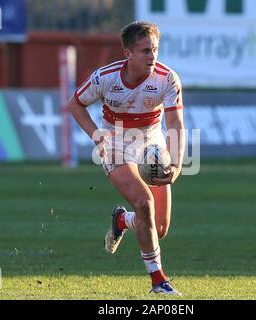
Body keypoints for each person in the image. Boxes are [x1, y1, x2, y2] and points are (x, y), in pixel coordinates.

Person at [68, 21, 185, 296]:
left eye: (154, 49)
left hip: (152, 144)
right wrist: (97, 135)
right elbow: (75, 104)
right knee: (143, 203)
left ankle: (121, 221)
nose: (152, 56)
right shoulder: (105, 78)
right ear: (127, 53)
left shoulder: (167, 79)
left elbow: (176, 125)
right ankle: (159, 281)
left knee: (158, 227)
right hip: (116, 143)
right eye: (145, 51)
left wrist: (177, 165)